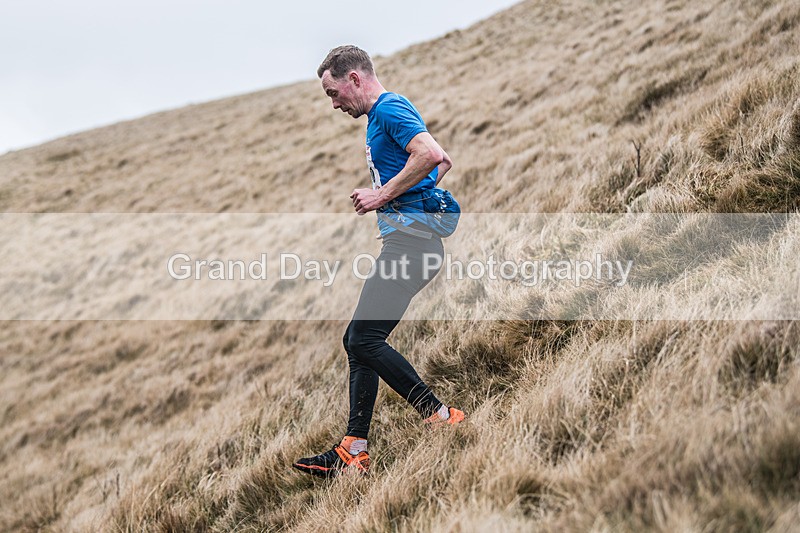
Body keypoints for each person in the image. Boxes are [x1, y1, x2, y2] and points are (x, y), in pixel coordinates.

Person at [292, 45, 465, 479]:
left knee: (363, 340)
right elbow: (441, 161)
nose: (334, 104)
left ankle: (439, 416)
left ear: (354, 78)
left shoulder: (389, 108)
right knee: (358, 339)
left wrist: (383, 196)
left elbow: (429, 153)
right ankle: (354, 448)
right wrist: (412, 196)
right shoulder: (381, 118)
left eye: (334, 93)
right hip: (410, 244)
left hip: (411, 248)